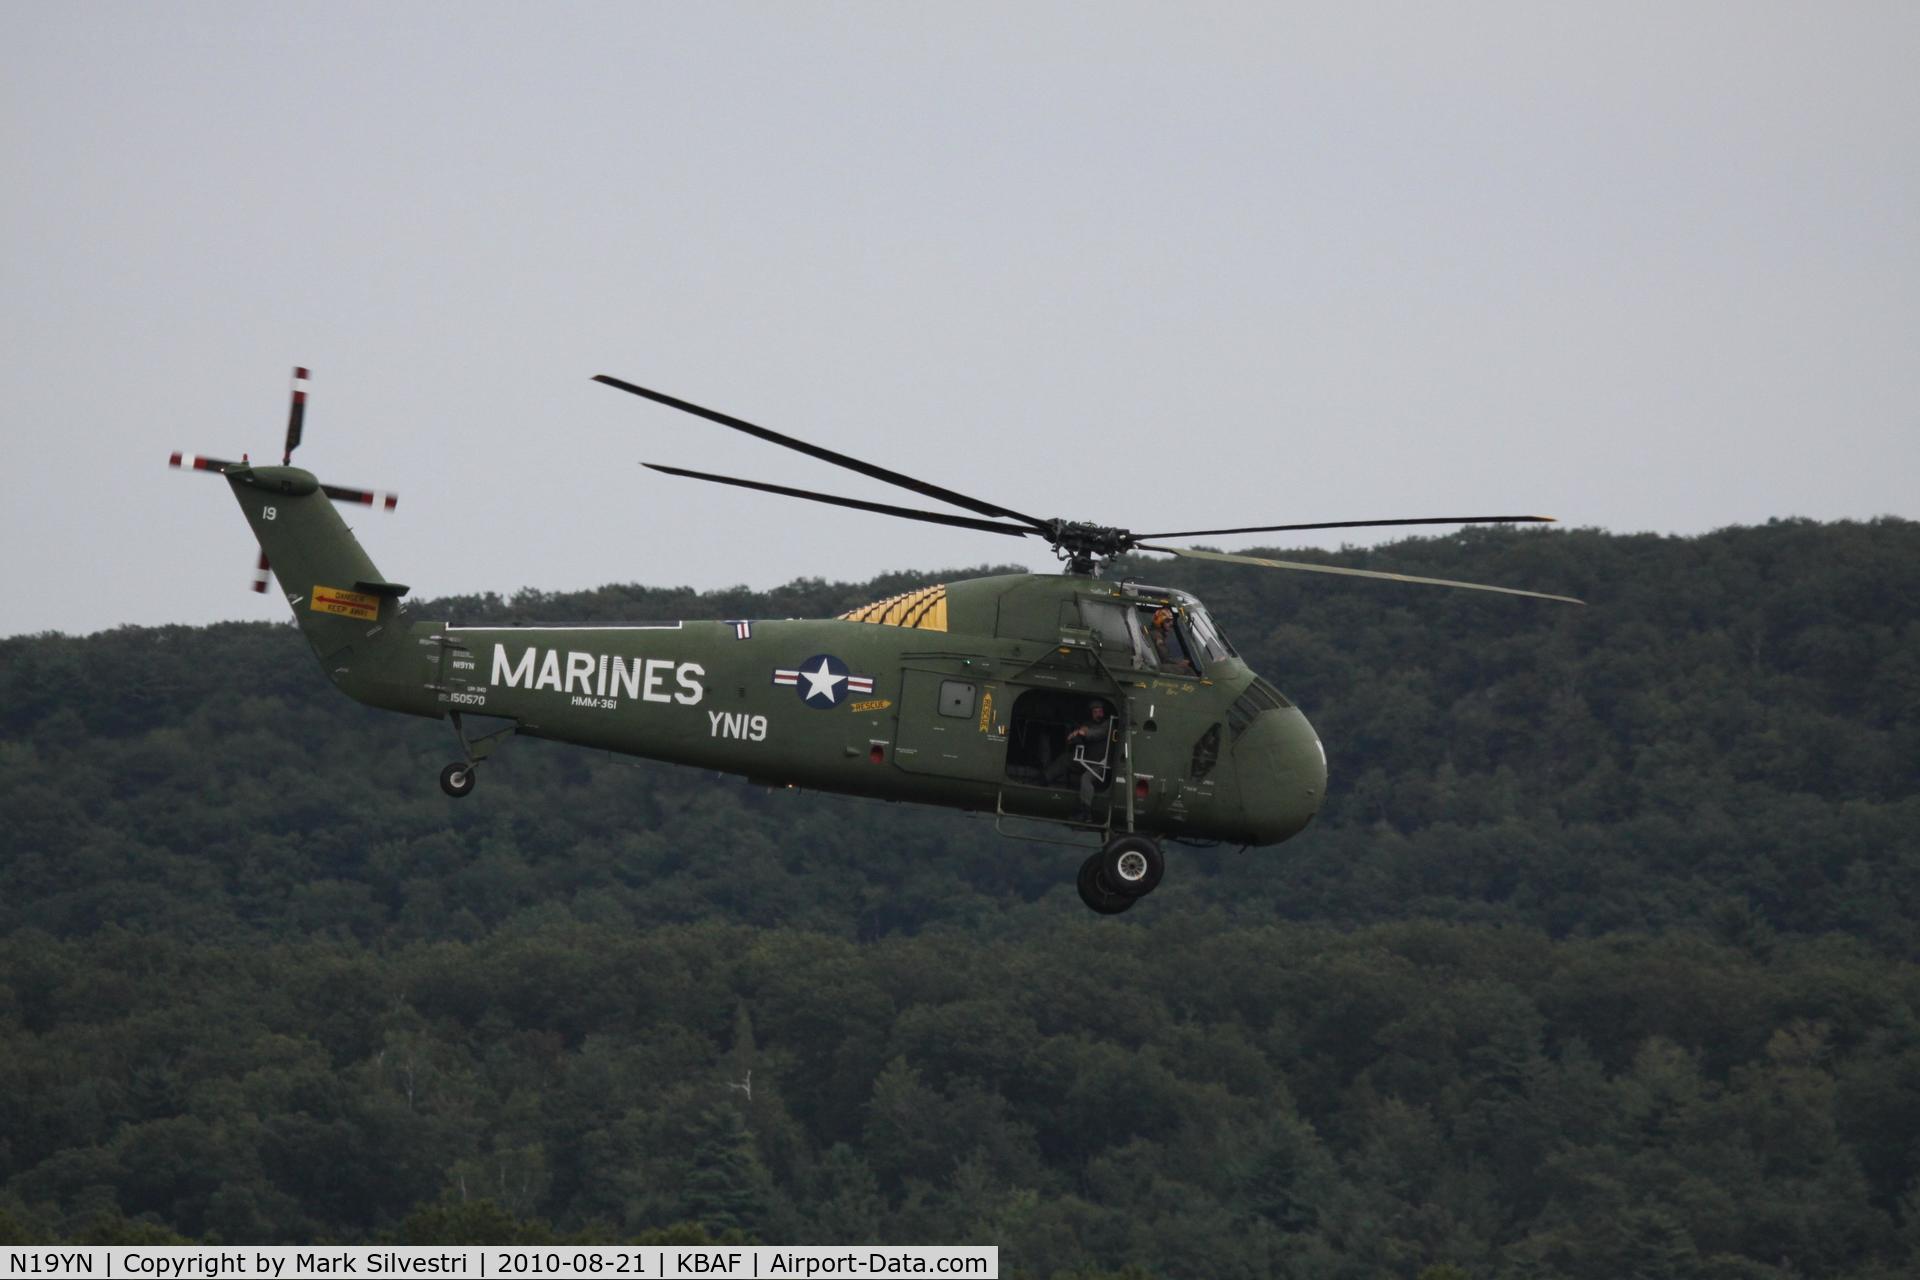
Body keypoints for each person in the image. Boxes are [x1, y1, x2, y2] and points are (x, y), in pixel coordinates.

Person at [1047, 699, 1113, 820]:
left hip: (1100, 764)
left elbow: (1097, 734)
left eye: (1100, 711)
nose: (1098, 714)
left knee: (1086, 779)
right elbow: (1079, 735)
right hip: (1088, 760)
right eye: (1095, 711)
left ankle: (1086, 811)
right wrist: (1074, 735)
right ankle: (1043, 779)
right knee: (1065, 759)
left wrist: (1083, 732)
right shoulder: (1088, 724)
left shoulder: (1108, 724)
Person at [1150, 607, 1195, 674]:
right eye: (1167, 621)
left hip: (1157, 665)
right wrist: (1179, 663)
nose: (1171, 624)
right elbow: (1164, 658)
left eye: (1171, 621)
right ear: (1160, 622)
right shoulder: (1157, 636)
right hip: (1156, 667)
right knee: (1187, 670)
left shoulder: (1157, 634)